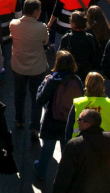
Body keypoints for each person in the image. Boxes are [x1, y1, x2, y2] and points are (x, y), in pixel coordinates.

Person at [34, 49, 84, 179]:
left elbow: (40, 99)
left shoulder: (52, 80)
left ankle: (41, 171)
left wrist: (43, 84)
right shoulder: (76, 80)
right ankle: (66, 176)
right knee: (66, 151)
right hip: (69, 120)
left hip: (52, 120)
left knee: (47, 149)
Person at [10, 0, 50, 139]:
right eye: (39, 10)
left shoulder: (14, 24)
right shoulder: (41, 27)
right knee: (36, 97)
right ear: (34, 12)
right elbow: (46, 41)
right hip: (36, 68)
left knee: (19, 94)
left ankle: (19, 120)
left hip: (18, 66)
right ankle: (34, 127)